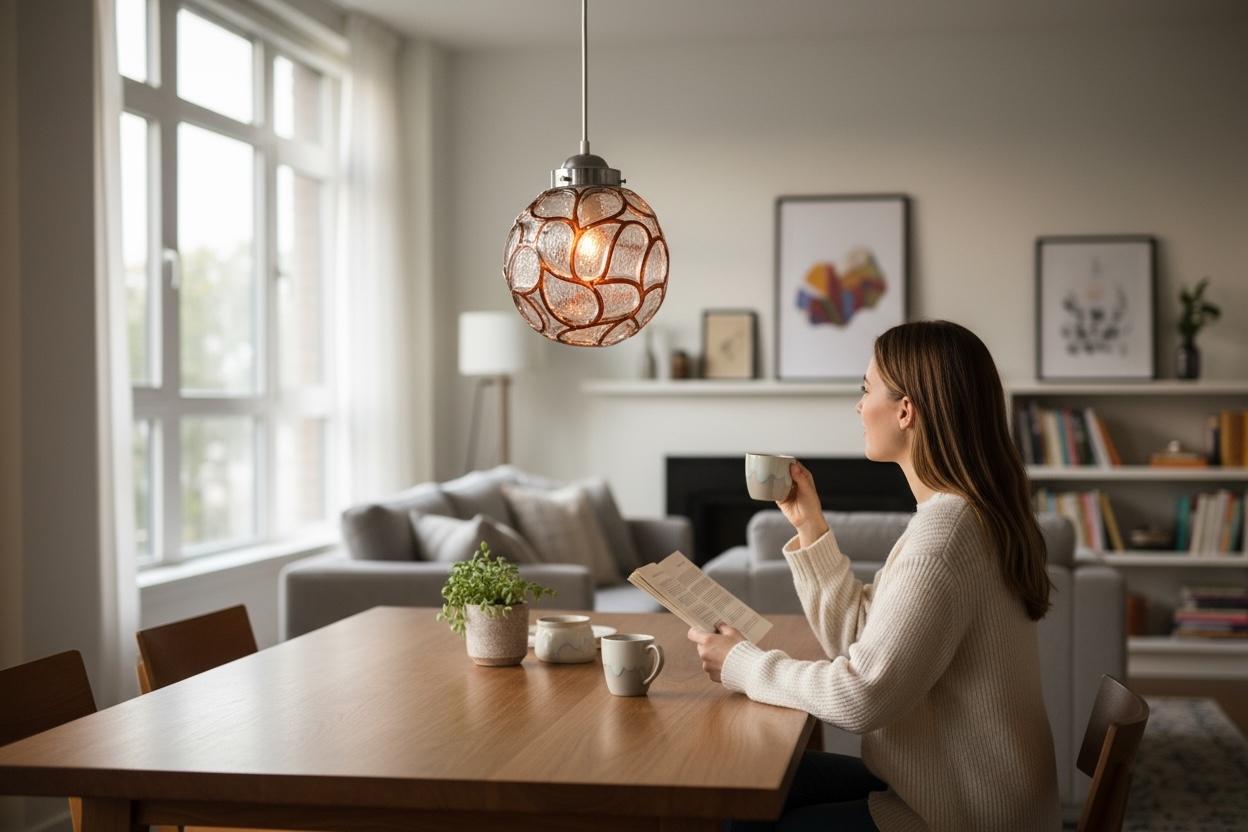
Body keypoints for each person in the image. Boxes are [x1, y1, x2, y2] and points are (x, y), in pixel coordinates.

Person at [689, 320, 1060, 832]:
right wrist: (810, 526)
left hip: (955, 814)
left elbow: (862, 695)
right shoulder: (957, 515)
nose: (859, 407)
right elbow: (863, 638)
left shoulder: (945, 536)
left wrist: (744, 665)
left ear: (905, 411)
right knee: (743, 781)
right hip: (949, 791)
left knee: (740, 808)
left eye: (866, 391)